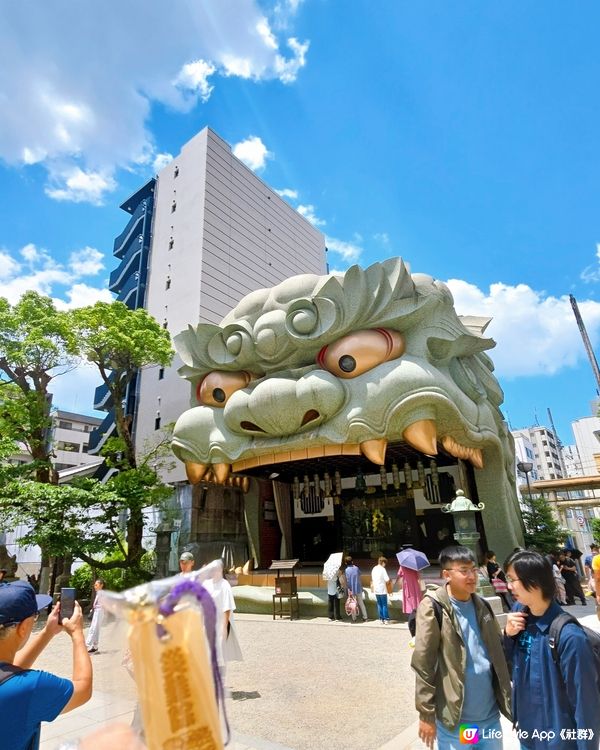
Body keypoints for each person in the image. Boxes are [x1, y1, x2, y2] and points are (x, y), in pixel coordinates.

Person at [411, 545, 511, 750]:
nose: (471, 576)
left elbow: (497, 652)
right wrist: (426, 713)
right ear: (446, 574)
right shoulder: (433, 608)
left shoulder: (482, 605)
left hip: (489, 717)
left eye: (473, 570)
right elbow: (424, 663)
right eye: (463, 571)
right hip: (459, 721)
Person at [504, 549, 600, 749]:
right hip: (528, 736)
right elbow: (511, 668)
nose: (508, 585)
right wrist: (508, 636)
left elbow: (585, 706)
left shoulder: (570, 637)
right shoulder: (519, 618)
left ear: (535, 582)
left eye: (513, 579)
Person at [0, 580, 92, 750]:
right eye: (34, 617)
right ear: (24, 627)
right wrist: (77, 633)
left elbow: (8, 672)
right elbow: (84, 689)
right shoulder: (33, 687)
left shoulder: (15, 683)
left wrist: (47, 633)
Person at [202, 560, 242, 667]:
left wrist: (224, 627)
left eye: (217, 569)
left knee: (218, 649)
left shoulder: (225, 585)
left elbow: (227, 607)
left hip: (220, 622)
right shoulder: (206, 584)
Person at [397, 562, 423, 646]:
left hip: (407, 587)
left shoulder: (403, 566)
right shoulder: (415, 566)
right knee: (417, 606)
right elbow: (418, 577)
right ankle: (418, 629)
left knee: (410, 609)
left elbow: (400, 576)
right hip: (415, 587)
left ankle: (413, 633)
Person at [343, 556, 368, 622]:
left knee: (352, 604)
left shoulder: (346, 570)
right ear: (352, 561)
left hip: (351, 590)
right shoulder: (356, 568)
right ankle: (365, 617)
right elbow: (359, 575)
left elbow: (346, 581)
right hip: (358, 588)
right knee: (361, 603)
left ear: (345, 563)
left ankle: (354, 618)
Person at [86, 578, 105, 654]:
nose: (95, 586)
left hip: (99, 611)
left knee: (93, 628)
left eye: (96, 585)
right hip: (98, 611)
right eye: (95, 585)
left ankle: (86, 645)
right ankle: (95, 646)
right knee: (96, 629)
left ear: (101, 585)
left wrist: (95, 608)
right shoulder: (99, 593)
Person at [370, 556, 391, 624]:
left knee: (379, 604)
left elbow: (372, 578)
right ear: (383, 562)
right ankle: (386, 619)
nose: (385, 565)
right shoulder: (382, 569)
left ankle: (381, 619)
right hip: (382, 589)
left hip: (376, 589)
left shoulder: (374, 568)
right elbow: (387, 579)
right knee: (384, 604)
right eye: (385, 563)